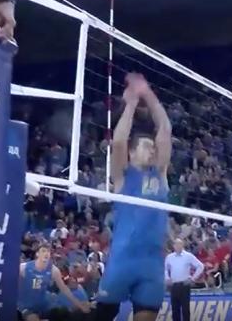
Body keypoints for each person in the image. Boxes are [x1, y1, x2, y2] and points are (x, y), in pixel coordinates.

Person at [96, 73, 172, 321]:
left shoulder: (160, 174)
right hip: (123, 261)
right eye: (147, 146)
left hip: (152, 265)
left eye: (153, 147)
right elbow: (118, 141)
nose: (153, 150)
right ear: (132, 152)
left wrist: (147, 93)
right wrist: (130, 104)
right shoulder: (122, 176)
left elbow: (165, 129)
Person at [18, 244, 90, 321]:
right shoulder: (23, 267)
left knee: (63, 312)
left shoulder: (54, 270)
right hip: (26, 305)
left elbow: (64, 289)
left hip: (44, 304)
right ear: (37, 254)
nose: (46, 253)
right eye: (43, 251)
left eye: (48, 252)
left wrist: (79, 305)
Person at [165, 238, 205, 321]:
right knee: (175, 310)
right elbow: (165, 269)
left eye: (180, 244)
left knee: (185, 309)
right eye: (176, 244)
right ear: (173, 246)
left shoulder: (188, 256)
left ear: (182, 245)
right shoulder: (169, 257)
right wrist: (167, 278)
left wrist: (193, 278)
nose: (178, 246)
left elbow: (200, 266)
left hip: (184, 285)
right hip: (174, 286)